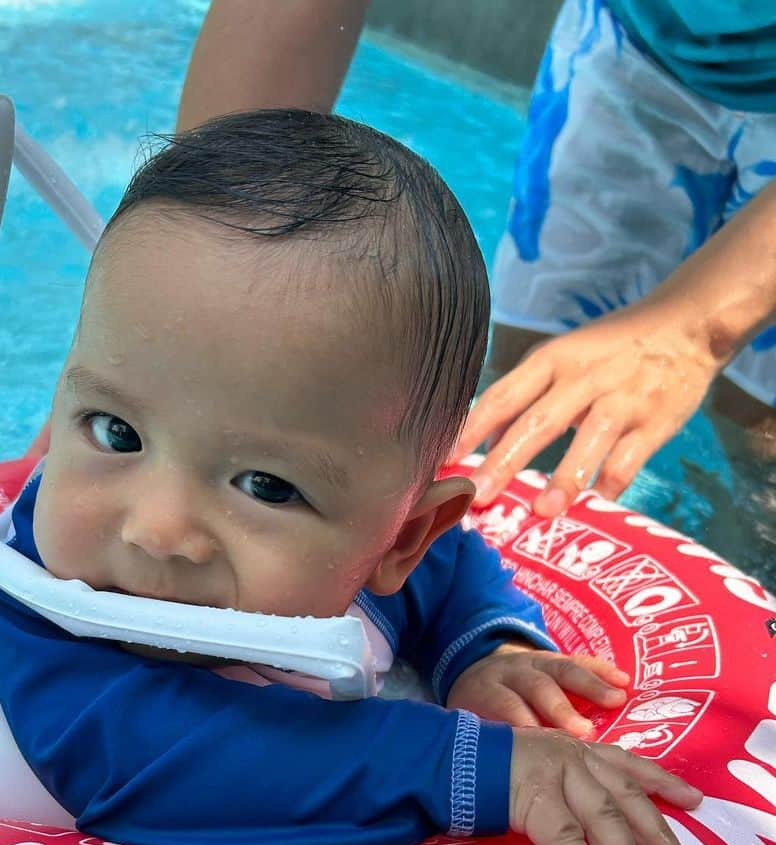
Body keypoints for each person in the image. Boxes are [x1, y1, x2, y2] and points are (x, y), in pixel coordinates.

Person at [0, 109, 701, 845]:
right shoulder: (43, 625)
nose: (157, 528)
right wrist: (482, 769)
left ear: (399, 536)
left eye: (265, 487)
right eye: (116, 432)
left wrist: (482, 646)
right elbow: (183, 759)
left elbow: (448, 566)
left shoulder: (372, 548)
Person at [176, 0, 776, 516]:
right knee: (530, 395)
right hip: (640, 37)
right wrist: (199, 233)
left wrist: (693, 332)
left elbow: (691, 335)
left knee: (758, 450)